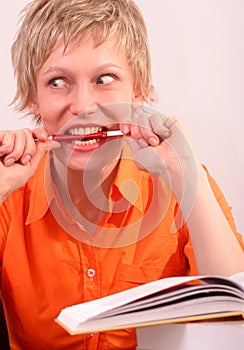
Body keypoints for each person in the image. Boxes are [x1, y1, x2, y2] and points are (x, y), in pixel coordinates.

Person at [0, 0, 243, 349]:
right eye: (57, 82)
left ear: (138, 92)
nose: (82, 106)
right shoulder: (10, 196)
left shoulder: (180, 184)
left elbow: (236, 315)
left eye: (104, 79)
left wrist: (182, 171)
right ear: (32, 99)